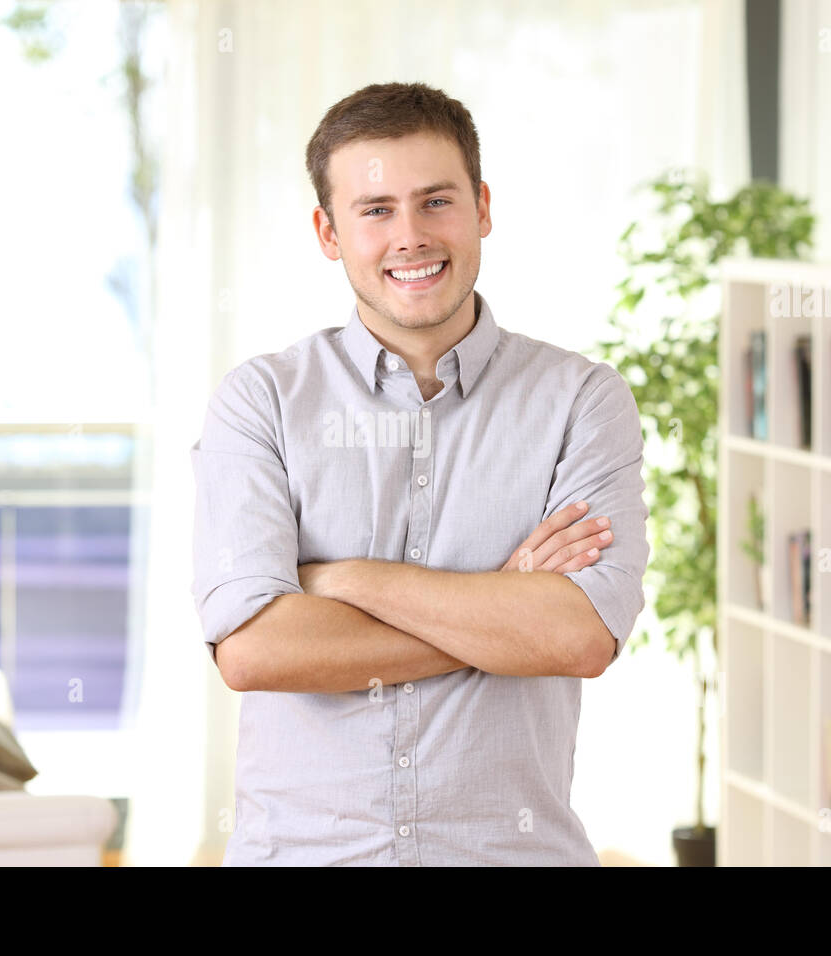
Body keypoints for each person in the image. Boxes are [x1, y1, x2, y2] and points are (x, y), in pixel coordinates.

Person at [190, 81, 649, 866]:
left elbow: (580, 636)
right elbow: (256, 652)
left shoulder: (581, 399)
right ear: (328, 232)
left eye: (436, 201)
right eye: (376, 210)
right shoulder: (260, 401)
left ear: (483, 208)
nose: (410, 236)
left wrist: (341, 581)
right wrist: (504, 612)